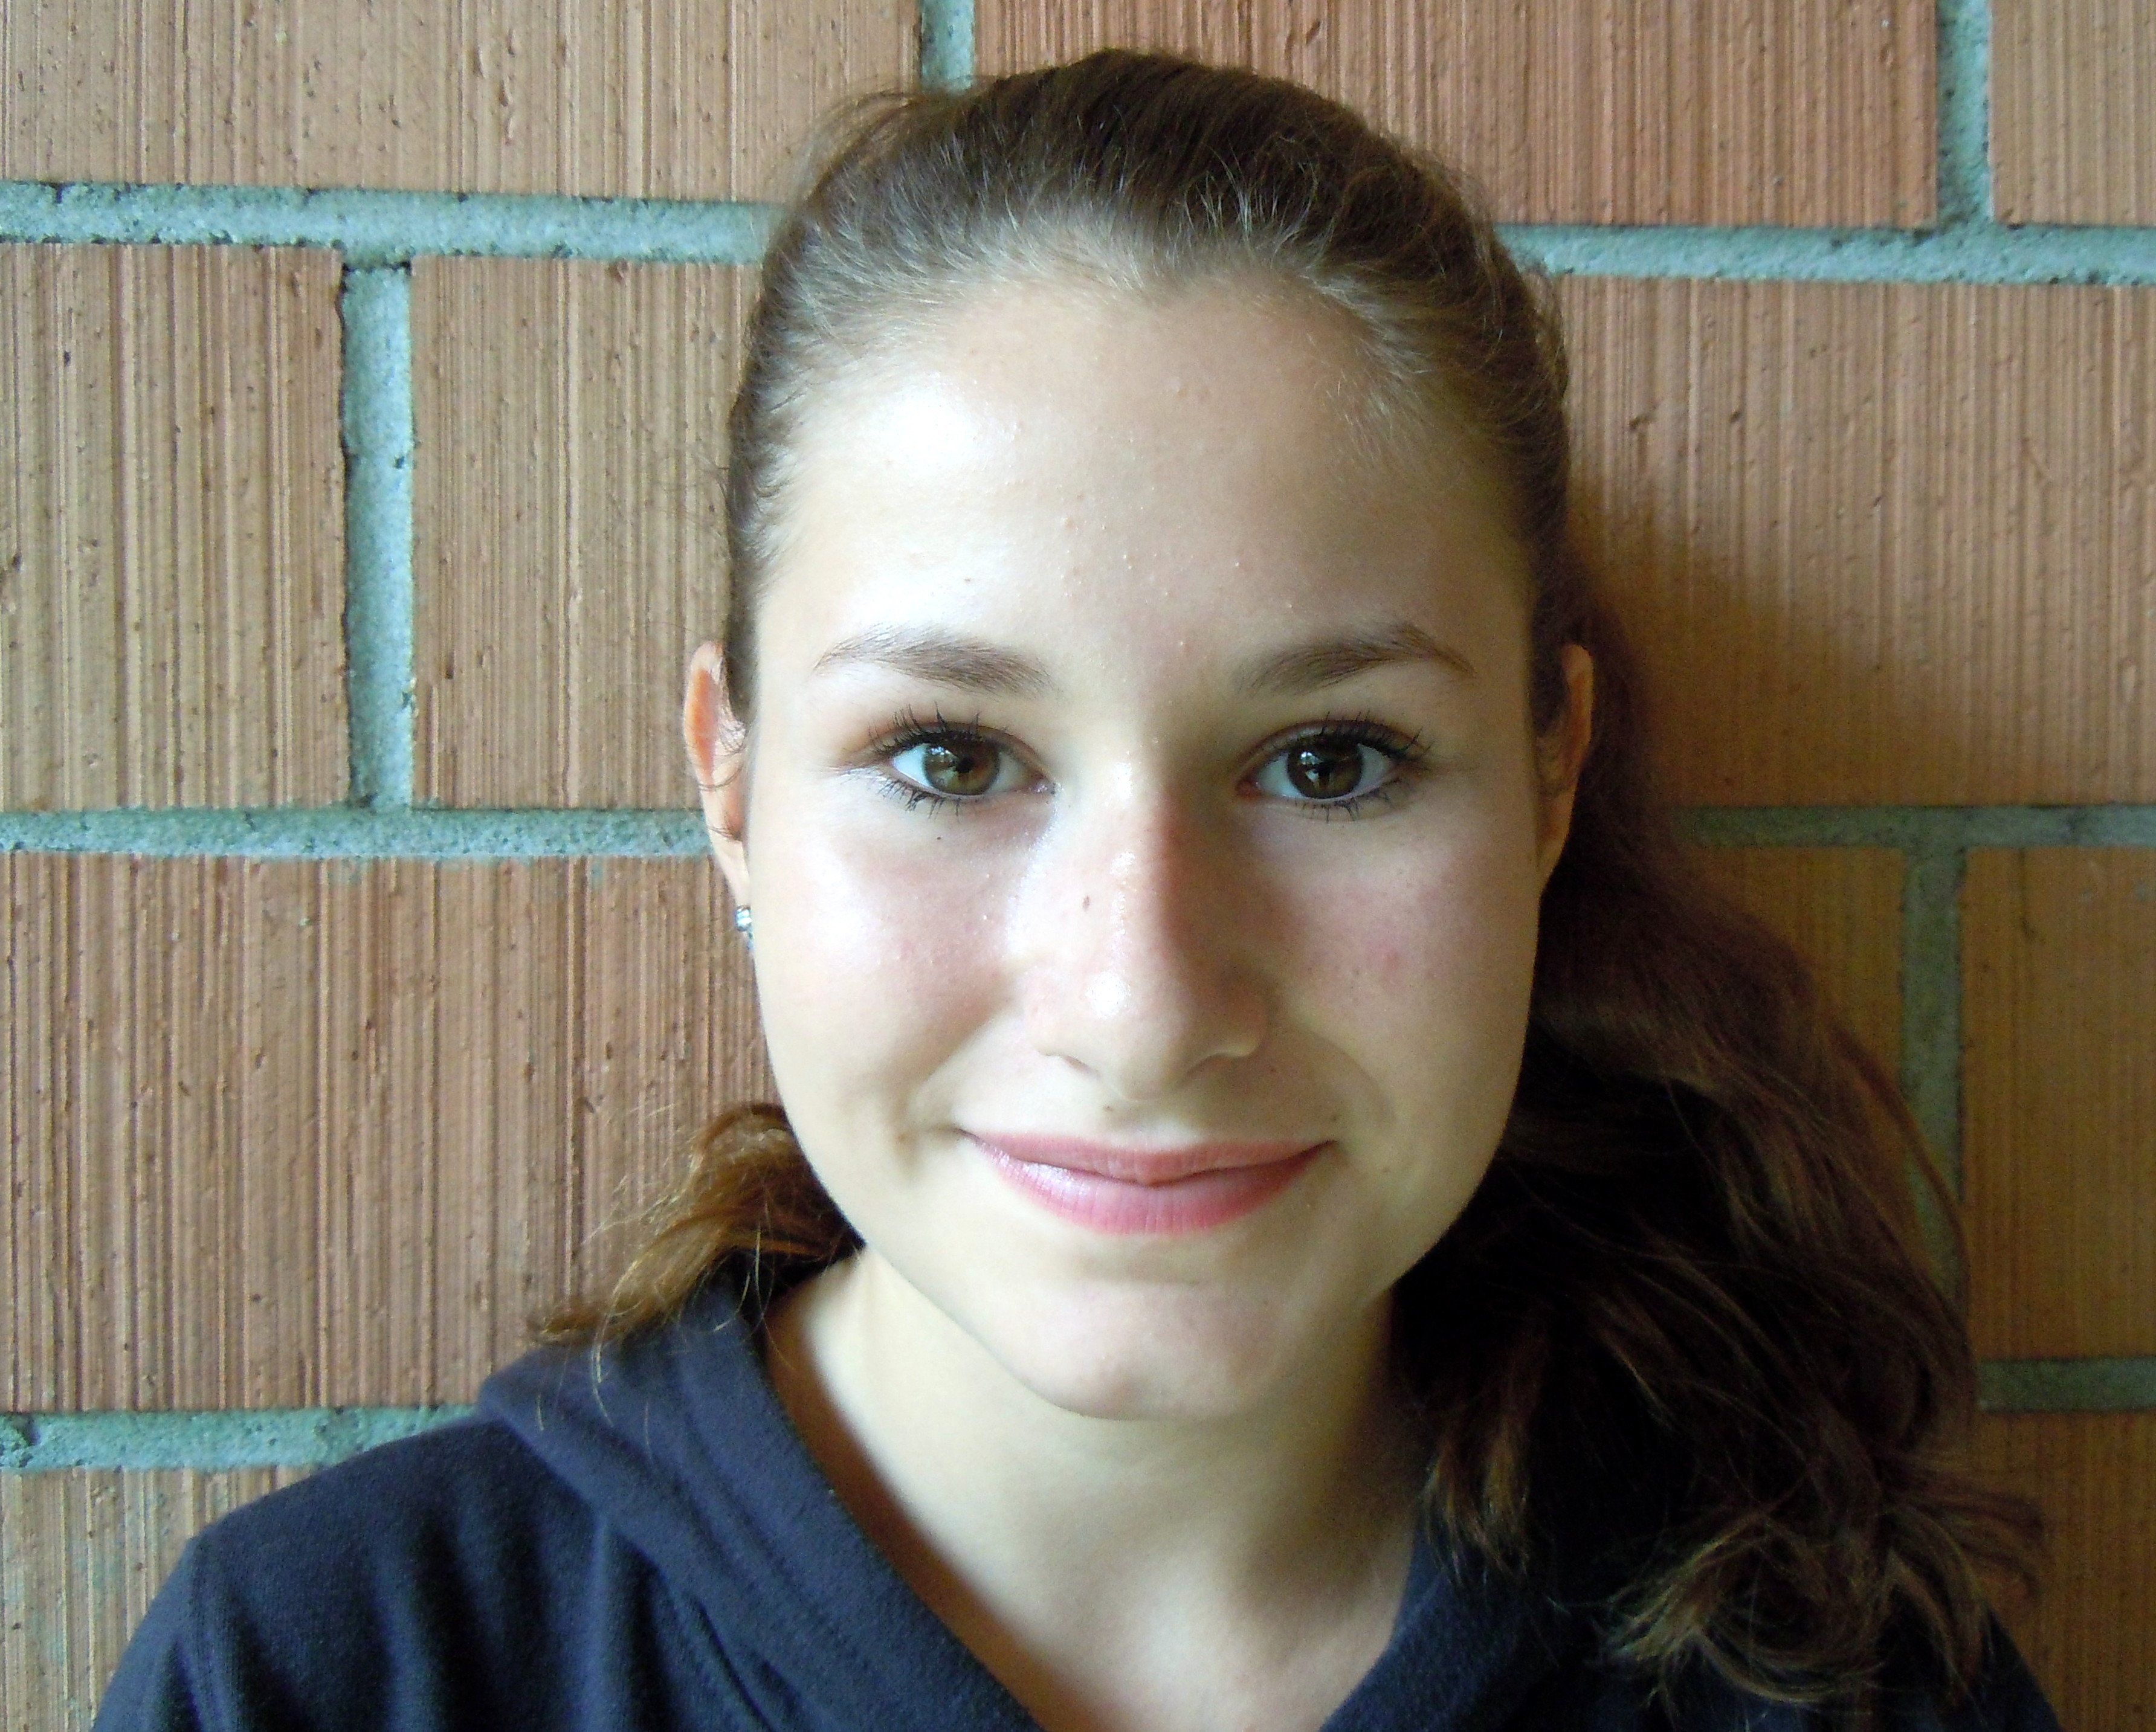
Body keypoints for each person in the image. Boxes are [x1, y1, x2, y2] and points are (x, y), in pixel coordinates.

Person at [99, 51, 2058, 1732]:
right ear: (733, 786)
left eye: (1332, 760)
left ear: (1550, 777)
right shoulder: (334, 1670)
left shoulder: (1842, 1680)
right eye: (953, 757)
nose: (1142, 1005)